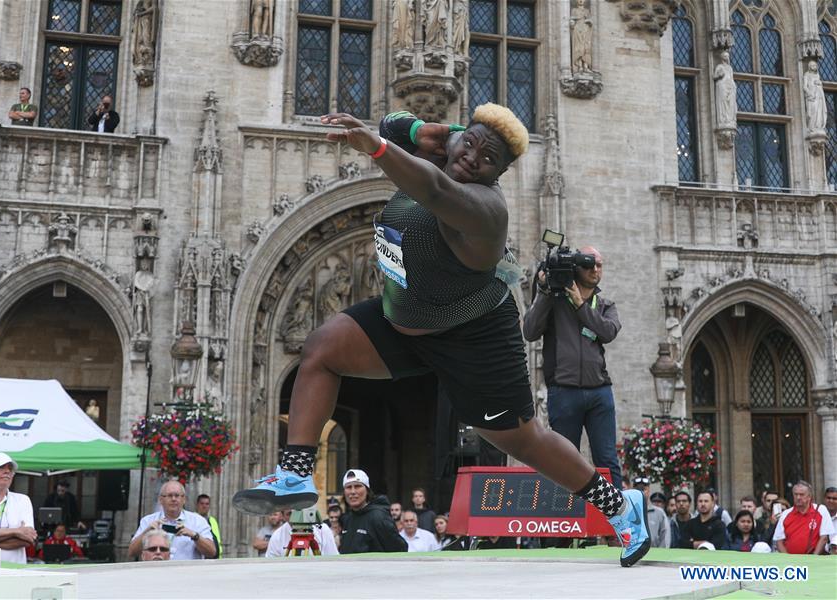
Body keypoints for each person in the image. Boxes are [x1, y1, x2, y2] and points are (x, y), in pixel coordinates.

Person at [232, 104, 651, 568]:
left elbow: (431, 188)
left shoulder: (485, 210)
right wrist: (423, 131)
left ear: (499, 173)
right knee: (322, 349)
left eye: (487, 159)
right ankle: (294, 474)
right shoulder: (441, 152)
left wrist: (376, 145)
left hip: (474, 335)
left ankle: (619, 506)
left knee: (524, 441)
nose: (473, 159)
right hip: (406, 321)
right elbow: (395, 122)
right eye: (468, 143)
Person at [522, 243, 624, 491]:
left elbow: (608, 331)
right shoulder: (555, 303)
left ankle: (617, 521)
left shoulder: (605, 305)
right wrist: (544, 292)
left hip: (600, 391)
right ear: (576, 267)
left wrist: (580, 305)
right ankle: (566, 525)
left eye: (599, 265)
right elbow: (530, 331)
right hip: (564, 391)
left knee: (608, 460)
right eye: (589, 264)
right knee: (566, 461)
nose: (595, 269)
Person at [128, 480, 216, 560]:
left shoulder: (198, 521)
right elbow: (132, 552)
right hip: (157, 574)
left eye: (177, 496)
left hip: (188, 574)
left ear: (184, 499)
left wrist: (194, 536)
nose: (173, 499)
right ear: (161, 500)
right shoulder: (148, 521)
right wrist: (146, 532)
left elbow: (212, 552)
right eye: (169, 496)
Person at [337, 469, 407, 554]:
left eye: (357, 486)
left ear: (367, 490)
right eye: (348, 487)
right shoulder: (347, 518)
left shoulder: (378, 517)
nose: (353, 492)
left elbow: (399, 549)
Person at [772, 480, 834, 555]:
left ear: (809, 496)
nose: (798, 497)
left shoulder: (821, 510)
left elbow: (824, 538)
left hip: (814, 560)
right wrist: (787, 559)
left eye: (802, 494)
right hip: (792, 562)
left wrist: (814, 558)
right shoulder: (786, 514)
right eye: (796, 494)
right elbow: (779, 540)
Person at [265, 509, 339, 557]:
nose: (297, 518)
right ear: (283, 516)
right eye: (290, 514)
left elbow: (333, 559)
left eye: (298, 511)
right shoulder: (277, 536)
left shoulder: (322, 529)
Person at [633, 477, 669, 548]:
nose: (640, 492)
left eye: (643, 489)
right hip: (631, 555)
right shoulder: (627, 511)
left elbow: (665, 537)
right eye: (638, 489)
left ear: (649, 491)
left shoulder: (659, 512)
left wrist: (660, 555)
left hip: (655, 555)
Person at [195, 494, 221, 558]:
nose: (204, 506)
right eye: (202, 503)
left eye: (207, 504)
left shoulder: (213, 520)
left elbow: (217, 541)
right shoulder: (193, 520)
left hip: (215, 559)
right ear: (197, 505)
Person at [824, 486, 837, 554]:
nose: (831, 501)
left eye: (834, 499)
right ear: (824, 499)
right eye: (828, 498)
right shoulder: (817, 516)